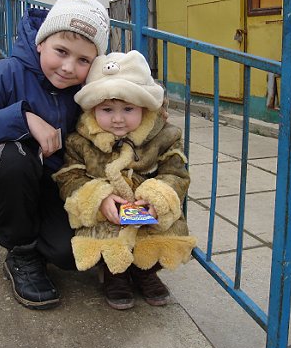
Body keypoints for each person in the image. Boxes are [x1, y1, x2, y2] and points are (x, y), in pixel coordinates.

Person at [0, 0, 110, 310]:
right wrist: (21, 118)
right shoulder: (2, 76)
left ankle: (38, 230)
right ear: (40, 42)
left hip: (59, 182)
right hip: (12, 173)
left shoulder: (89, 89)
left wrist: (147, 111)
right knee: (12, 159)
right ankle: (21, 251)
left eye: (83, 60)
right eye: (61, 51)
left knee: (69, 255)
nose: (68, 67)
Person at [52, 50, 197, 310]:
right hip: (108, 214)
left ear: (144, 107)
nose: (118, 119)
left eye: (128, 109)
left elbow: (176, 172)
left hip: (146, 211)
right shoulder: (80, 141)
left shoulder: (164, 137)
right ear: (93, 108)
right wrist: (98, 198)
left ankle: (145, 272)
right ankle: (114, 275)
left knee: (156, 235)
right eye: (107, 109)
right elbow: (69, 176)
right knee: (107, 239)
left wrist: (157, 197)